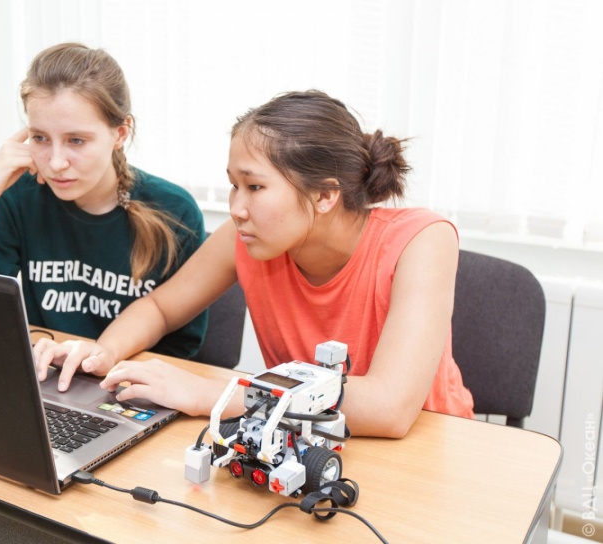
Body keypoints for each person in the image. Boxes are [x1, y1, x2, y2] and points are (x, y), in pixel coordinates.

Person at [33, 89, 475, 438]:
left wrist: (213, 394)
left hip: (430, 451)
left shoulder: (422, 240)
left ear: (325, 194)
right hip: (301, 438)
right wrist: (104, 353)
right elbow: (161, 307)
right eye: (233, 185)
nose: (236, 208)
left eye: (255, 187)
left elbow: (390, 407)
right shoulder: (245, 237)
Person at [0, 42, 207, 359]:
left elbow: (183, 345)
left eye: (76, 140)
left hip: (129, 378)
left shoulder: (174, 210)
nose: (56, 162)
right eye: (40, 138)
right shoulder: (19, 197)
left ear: (120, 134)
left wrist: (101, 364)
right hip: (47, 370)